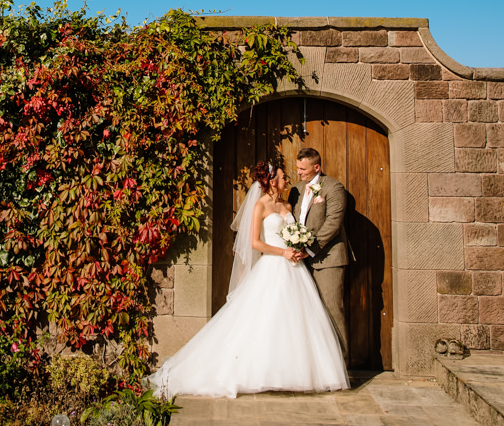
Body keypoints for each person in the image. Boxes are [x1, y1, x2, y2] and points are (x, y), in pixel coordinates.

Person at [147, 161, 348, 399]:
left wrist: (296, 247)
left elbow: (293, 231)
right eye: (283, 178)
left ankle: (289, 373)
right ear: (272, 181)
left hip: (294, 268)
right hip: (273, 265)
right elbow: (255, 243)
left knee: (294, 321)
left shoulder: (286, 203)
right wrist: (282, 252)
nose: (288, 181)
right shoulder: (260, 206)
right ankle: (257, 372)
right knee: (264, 319)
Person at [289, 147, 351, 365]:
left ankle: (340, 367)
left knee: (332, 310)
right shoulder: (296, 189)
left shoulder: (334, 187)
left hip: (328, 260)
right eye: (297, 168)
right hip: (301, 262)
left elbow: (333, 223)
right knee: (306, 313)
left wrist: (311, 249)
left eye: (303, 169)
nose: (299, 173)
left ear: (317, 167)